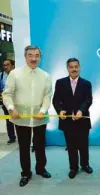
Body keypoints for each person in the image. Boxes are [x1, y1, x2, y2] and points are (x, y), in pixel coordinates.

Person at [2, 45, 52, 187]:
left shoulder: (45, 76)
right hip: (20, 117)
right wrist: (11, 108)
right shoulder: (15, 74)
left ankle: (41, 169)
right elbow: (7, 94)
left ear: (40, 57)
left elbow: (47, 97)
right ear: (25, 57)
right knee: (23, 147)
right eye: (30, 55)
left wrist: (43, 110)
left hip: (40, 117)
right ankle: (25, 173)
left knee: (40, 145)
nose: (33, 58)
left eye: (36, 55)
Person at [53, 58, 93, 179]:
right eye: (71, 67)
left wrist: (81, 110)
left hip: (83, 120)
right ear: (67, 68)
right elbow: (55, 100)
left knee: (84, 145)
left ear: (79, 67)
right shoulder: (60, 83)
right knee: (71, 146)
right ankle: (73, 167)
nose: (74, 69)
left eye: (76, 66)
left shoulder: (86, 83)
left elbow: (88, 100)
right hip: (67, 121)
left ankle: (85, 165)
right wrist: (60, 111)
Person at [0, 59, 16, 144]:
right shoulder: (1, 75)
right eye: (4, 65)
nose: (5, 67)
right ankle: (12, 137)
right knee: (9, 121)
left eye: (7, 65)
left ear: (13, 66)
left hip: (18, 101)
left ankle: (22, 136)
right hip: (6, 102)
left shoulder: (18, 75)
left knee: (19, 120)